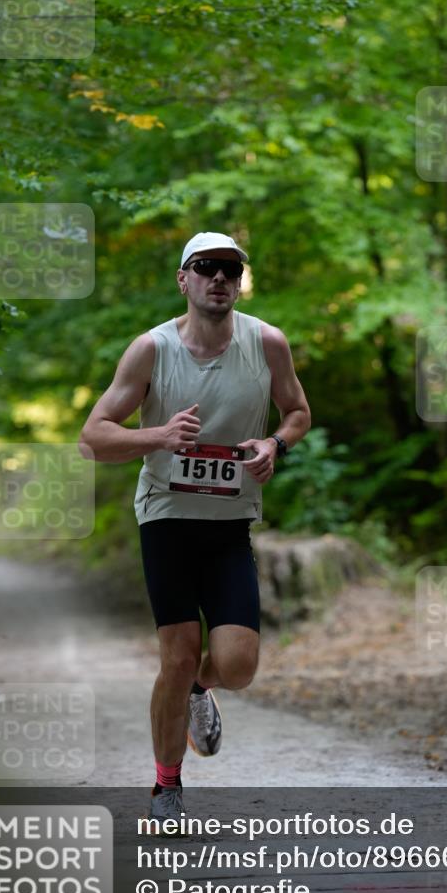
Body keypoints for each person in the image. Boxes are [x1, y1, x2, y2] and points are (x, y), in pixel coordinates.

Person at [80, 231, 311, 820]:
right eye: (206, 268)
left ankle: (201, 692)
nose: (219, 279)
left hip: (229, 522)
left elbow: (298, 411)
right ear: (183, 279)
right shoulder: (151, 350)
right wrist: (158, 435)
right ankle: (167, 786)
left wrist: (274, 443)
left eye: (231, 271)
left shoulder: (267, 343)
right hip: (168, 520)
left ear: (240, 281)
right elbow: (93, 438)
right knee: (177, 657)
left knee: (237, 665)